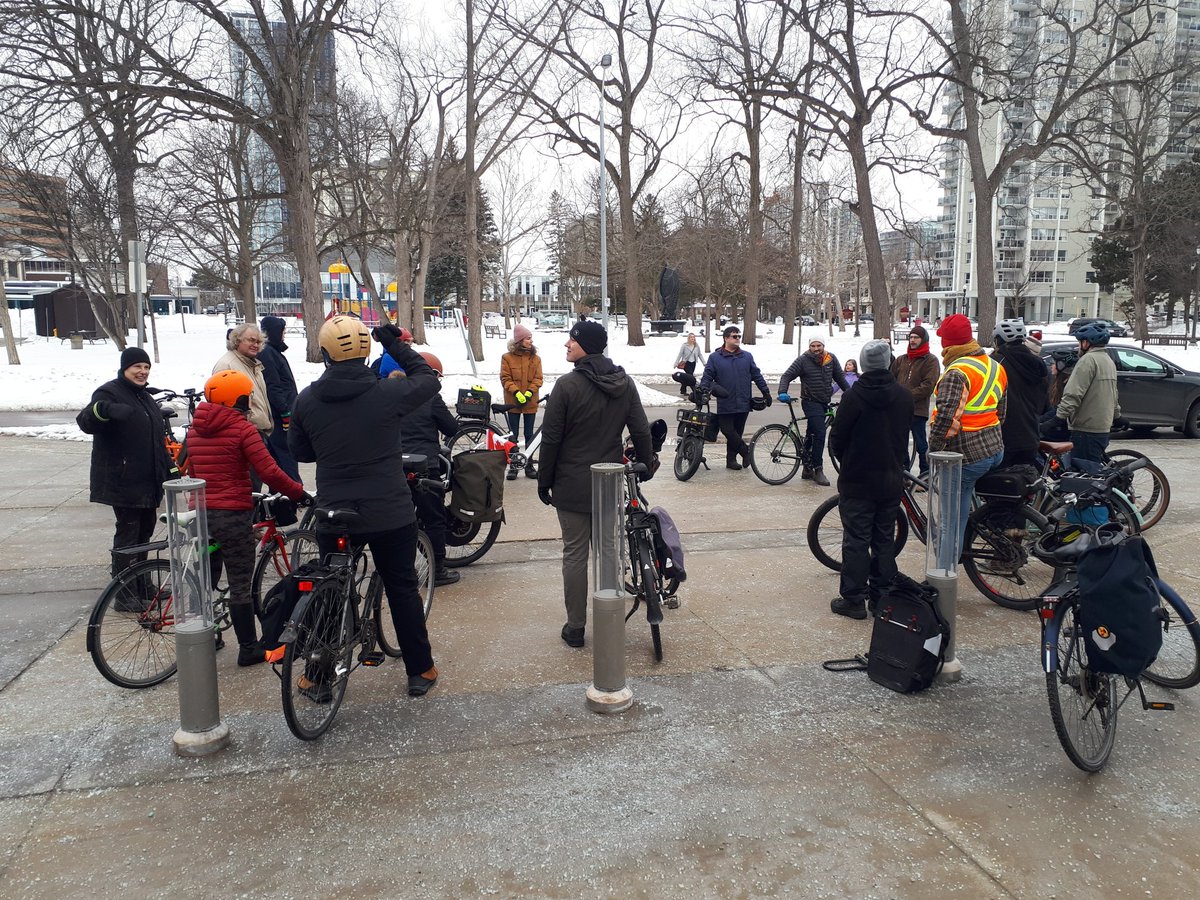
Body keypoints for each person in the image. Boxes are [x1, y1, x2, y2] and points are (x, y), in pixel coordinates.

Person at [288, 316, 442, 697]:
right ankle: (419, 671)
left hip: (334, 514)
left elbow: (301, 451)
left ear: (325, 353)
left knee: (331, 584)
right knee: (402, 588)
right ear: (366, 351)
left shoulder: (307, 399)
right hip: (388, 511)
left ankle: (317, 676)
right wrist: (396, 344)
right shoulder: (386, 394)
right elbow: (428, 379)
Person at [537, 320, 653, 648]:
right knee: (608, 552)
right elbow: (641, 429)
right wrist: (648, 462)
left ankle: (575, 627)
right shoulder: (624, 383)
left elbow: (551, 439)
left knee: (574, 554)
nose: (566, 345)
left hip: (572, 484)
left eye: (571, 341)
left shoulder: (567, 386)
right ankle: (610, 622)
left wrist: (544, 481)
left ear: (586, 345)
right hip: (610, 481)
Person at [186, 370, 306, 666]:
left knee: (204, 578)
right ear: (237, 399)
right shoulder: (242, 429)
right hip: (231, 514)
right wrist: (297, 492)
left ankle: (205, 634)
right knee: (240, 583)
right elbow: (268, 471)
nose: (251, 401)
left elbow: (191, 468)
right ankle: (248, 648)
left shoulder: (195, 429)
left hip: (198, 514)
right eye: (248, 396)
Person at [828, 341, 913, 619]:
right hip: (890, 478)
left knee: (855, 539)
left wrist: (847, 461)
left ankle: (853, 599)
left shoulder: (854, 397)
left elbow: (838, 438)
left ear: (863, 365)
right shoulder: (903, 396)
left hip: (858, 479)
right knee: (883, 539)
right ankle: (881, 598)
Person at [76, 347, 178, 579]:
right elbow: (86, 421)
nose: (142, 372)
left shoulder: (145, 397)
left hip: (146, 480)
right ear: (125, 368)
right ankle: (124, 592)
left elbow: (155, 440)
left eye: (146, 367)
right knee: (129, 535)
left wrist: (169, 467)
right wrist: (103, 411)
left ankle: (142, 585)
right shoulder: (108, 393)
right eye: (137, 367)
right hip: (123, 479)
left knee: (144, 534)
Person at [928, 314, 1008, 556]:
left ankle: (944, 571)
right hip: (993, 449)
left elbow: (946, 419)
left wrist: (934, 448)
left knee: (949, 521)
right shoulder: (995, 366)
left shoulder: (957, 372)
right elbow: (1001, 413)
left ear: (948, 344)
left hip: (966, 455)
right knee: (965, 499)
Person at [390, 350, 462, 587]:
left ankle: (399, 568)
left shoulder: (388, 394)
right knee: (434, 518)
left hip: (394, 466)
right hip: (425, 465)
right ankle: (438, 569)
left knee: (398, 518)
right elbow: (451, 428)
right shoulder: (430, 397)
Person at [777, 337, 848, 486]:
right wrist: (782, 391)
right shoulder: (803, 360)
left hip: (824, 402)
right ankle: (818, 469)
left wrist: (853, 394)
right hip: (810, 402)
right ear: (809, 347)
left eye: (819, 345)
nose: (816, 348)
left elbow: (840, 379)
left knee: (812, 433)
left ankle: (807, 467)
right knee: (820, 433)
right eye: (813, 346)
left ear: (823, 345)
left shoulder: (831, 359)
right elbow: (787, 376)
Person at [699, 325, 772, 471]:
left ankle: (731, 460)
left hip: (744, 401)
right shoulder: (715, 358)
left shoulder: (746, 356)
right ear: (726, 338)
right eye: (734, 336)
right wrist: (703, 390)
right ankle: (746, 452)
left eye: (738, 336)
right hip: (725, 401)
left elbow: (756, 375)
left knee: (737, 433)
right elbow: (707, 376)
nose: (737, 339)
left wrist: (766, 392)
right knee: (727, 430)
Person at [1048, 322, 1120, 465]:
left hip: (1086, 427)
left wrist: (1059, 417)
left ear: (1086, 343)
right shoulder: (1108, 361)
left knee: (1085, 475)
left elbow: (1074, 393)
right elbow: (1113, 393)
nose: (1078, 346)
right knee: (1092, 468)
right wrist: (1117, 415)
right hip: (1102, 426)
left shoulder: (1087, 360)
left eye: (1080, 342)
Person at [991, 319, 1049, 468]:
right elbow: (1044, 405)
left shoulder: (996, 363)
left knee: (994, 486)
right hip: (1030, 435)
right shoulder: (1038, 365)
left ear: (998, 340)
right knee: (1024, 484)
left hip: (1004, 437)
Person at [890, 325, 940, 477]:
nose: (912, 340)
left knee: (920, 443)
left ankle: (925, 473)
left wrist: (905, 396)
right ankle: (904, 473)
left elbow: (927, 386)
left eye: (916, 337)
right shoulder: (901, 359)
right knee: (900, 442)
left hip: (917, 409)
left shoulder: (930, 360)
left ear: (923, 339)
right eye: (911, 337)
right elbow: (890, 379)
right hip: (899, 409)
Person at [257, 315, 301, 482]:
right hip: (279, 415)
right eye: (282, 331)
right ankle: (292, 490)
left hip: (283, 410)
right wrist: (285, 411)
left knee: (282, 454)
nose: (284, 335)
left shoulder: (273, 351)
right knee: (284, 454)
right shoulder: (268, 353)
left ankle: (286, 490)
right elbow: (273, 386)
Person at [500, 323, 544, 480]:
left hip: (530, 402)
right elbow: (505, 378)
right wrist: (517, 392)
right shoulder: (507, 358)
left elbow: (538, 378)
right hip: (514, 402)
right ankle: (514, 465)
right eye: (528, 338)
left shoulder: (536, 359)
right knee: (513, 436)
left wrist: (530, 392)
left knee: (529, 434)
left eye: (531, 338)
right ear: (520, 340)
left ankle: (529, 464)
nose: (531, 341)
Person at [212, 323, 273, 436]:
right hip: (242, 435)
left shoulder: (253, 365)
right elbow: (222, 408)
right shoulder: (227, 366)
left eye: (259, 342)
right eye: (251, 340)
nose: (256, 345)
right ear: (237, 340)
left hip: (256, 433)